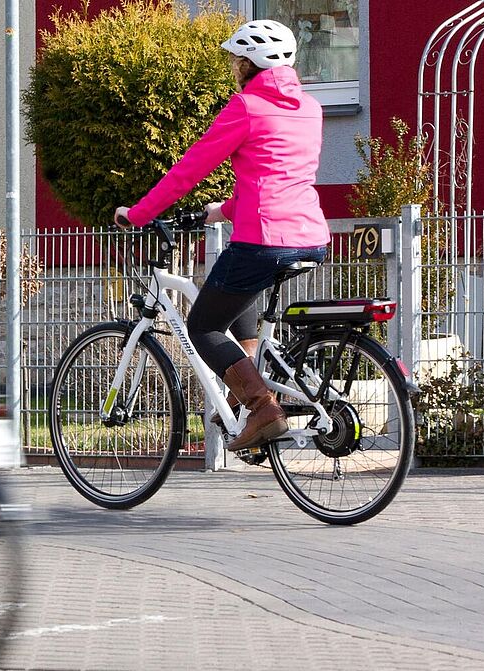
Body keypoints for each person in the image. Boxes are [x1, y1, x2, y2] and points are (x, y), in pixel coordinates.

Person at [114, 20, 330, 455]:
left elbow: (189, 170)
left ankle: (261, 405)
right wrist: (222, 210)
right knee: (240, 303)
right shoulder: (310, 107)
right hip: (311, 236)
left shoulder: (246, 105)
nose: (234, 66)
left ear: (250, 63)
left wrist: (138, 214)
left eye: (237, 59)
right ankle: (240, 396)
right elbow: (281, 176)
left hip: (263, 239)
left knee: (204, 325)